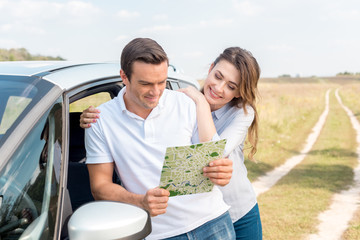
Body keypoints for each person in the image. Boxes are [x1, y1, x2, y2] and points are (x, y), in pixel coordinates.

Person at [81, 46, 263, 239]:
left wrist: (200, 102)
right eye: (218, 77)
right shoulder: (186, 101)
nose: (219, 88)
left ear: (238, 92)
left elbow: (215, 155)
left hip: (237, 208)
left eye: (231, 86)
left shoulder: (231, 111)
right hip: (172, 225)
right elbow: (100, 186)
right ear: (210, 69)